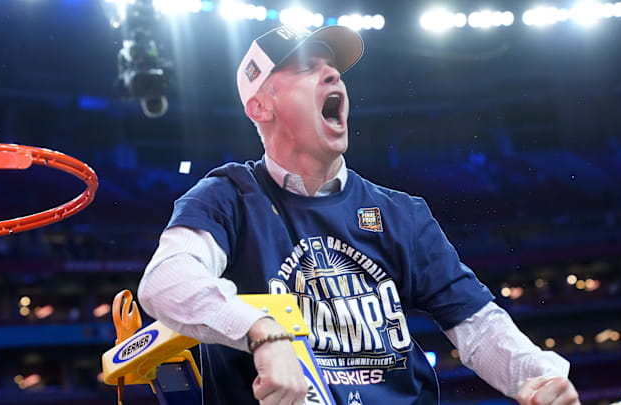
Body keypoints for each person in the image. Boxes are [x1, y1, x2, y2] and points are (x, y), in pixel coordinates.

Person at [137, 25, 581, 405]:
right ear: (261, 106)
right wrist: (262, 332)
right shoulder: (227, 196)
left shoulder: (402, 213)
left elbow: (478, 326)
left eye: (333, 68)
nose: (333, 74)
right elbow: (166, 281)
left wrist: (538, 374)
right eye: (307, 67)